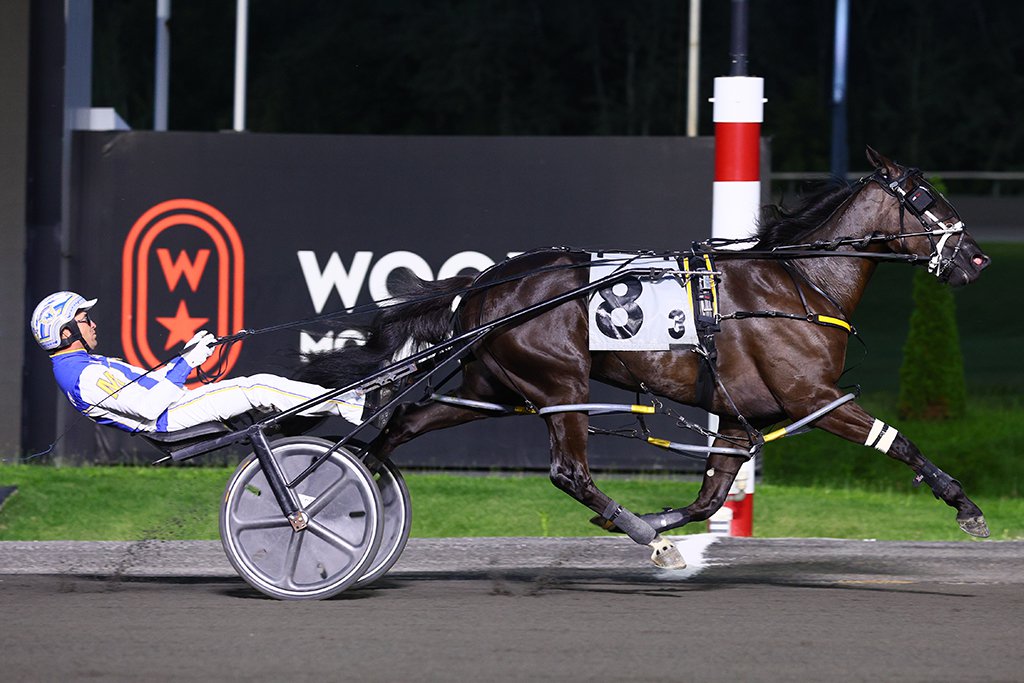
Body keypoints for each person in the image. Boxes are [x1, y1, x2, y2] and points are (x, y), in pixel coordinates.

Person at [30, 291, 363, 433]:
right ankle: (352, 406)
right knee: (257, 386)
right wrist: (186, 363)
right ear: (65, 333)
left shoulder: (80, 365)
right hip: (169, 417)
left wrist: (186, 353)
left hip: (174, 406)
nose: (93, 324)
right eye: (85, 320)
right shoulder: (81, 374)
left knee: (259, 388)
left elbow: (144, 385)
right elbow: (146, 407)